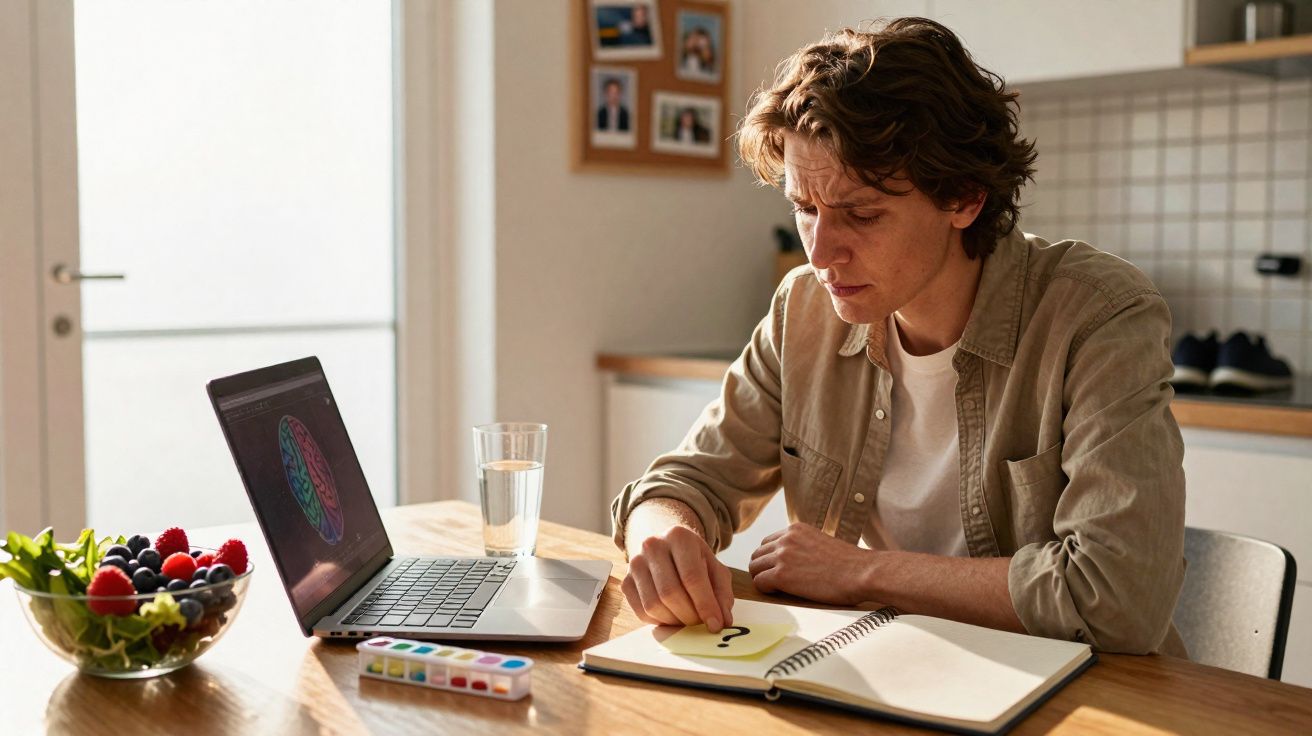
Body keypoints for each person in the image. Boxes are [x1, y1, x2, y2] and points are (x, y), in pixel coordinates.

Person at [611, 17, 1188, 657]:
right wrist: (660, 534)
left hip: (1089, 698)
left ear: (963, 199)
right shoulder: (803, 308)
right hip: (887, 667)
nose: (822, 252)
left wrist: (861, 571)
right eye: (805, 208)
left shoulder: (1098, 315)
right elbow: (686, 484)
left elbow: (1118, 597)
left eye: (862, 215)